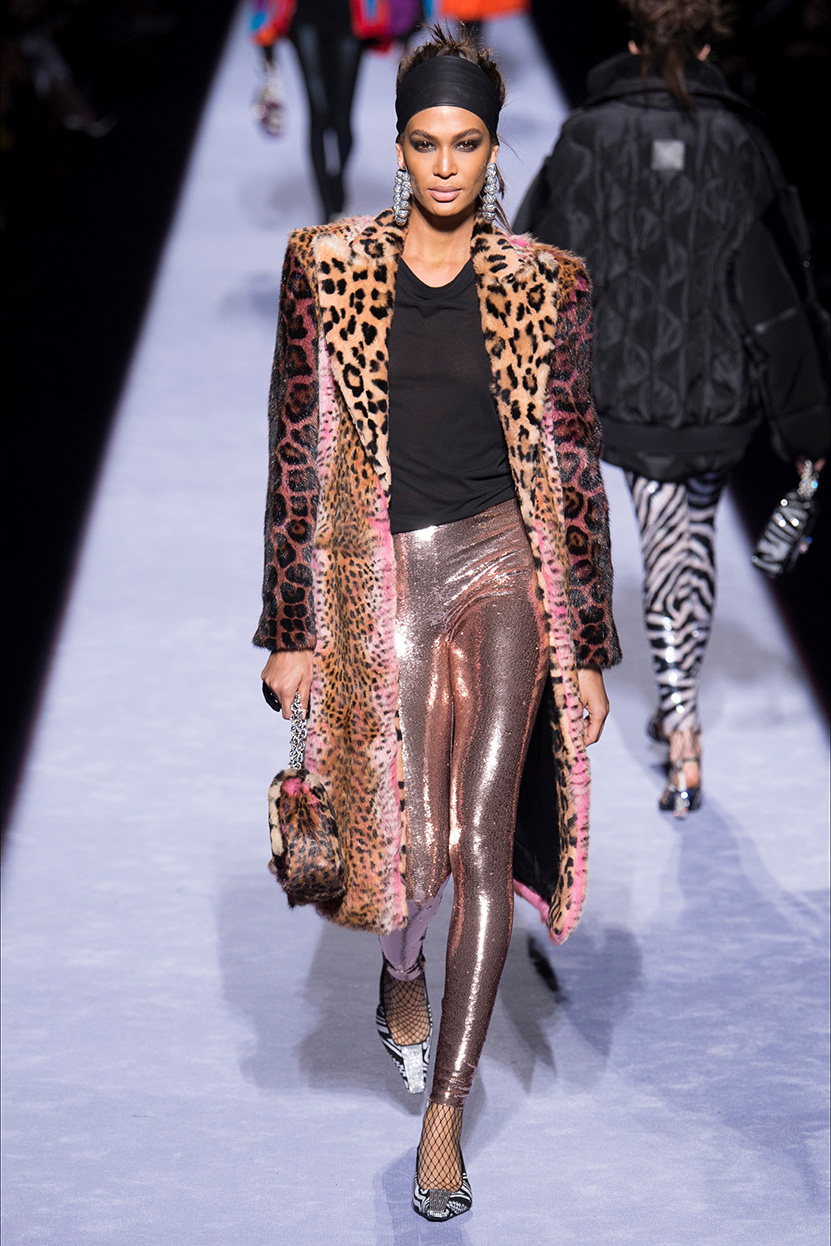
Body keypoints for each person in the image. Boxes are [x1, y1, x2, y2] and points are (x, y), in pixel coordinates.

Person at [255, 26, 621, 1221]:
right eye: (427, 142)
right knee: (405, 852)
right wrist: (291, 624)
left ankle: (445, 1116)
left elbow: (574, 468)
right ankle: (399, 969)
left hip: (505, 570)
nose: (448, 164)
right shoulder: (327, 269)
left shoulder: (544, 284)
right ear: (400, 145)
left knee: (478, 840)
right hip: (388, 578)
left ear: (494, 148)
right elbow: (297, 456)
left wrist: (588, 646)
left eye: (467, 143)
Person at [516, 0, 829, 817]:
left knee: (666, 542)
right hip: (718, 389)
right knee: (687, 535)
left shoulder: (588, 137)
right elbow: (776, 289)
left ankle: (682, 722)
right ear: (706, 49)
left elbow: (532, 264)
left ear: (630, 43)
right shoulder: (736, 143)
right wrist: (804, 422)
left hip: (625, 387)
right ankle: (680, 704)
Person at [251, 0, 366, 222]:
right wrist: (265, 39)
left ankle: (337, 186)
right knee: (318, 113)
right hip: (305, 14)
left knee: (342, 118)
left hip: (350, 16)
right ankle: (327, 209)